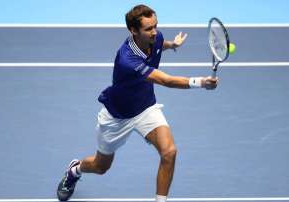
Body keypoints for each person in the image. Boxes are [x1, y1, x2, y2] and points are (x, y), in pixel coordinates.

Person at [57, 4, 218, 202]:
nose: (155, 32)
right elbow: (165, 81)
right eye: (148, 28)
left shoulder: (155, 37)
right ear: (133, 31)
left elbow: (160, 43)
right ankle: (75, 170)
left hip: (146, 108)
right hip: (117, 116)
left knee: (169, 152)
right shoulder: (128, 59)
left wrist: (171, 45)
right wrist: (200, 82)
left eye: (156, 26)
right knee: (101, 167)